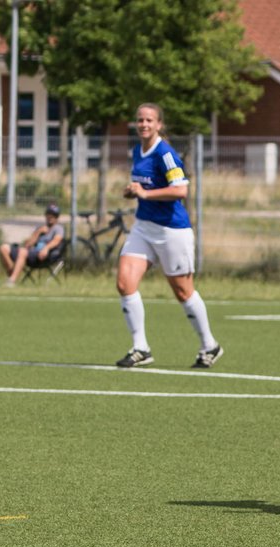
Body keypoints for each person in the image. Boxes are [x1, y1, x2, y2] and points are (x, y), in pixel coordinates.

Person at [114, 103, 222, 370]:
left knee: (183, 292)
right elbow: (144, 185)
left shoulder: (166, 153)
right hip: (144, 226)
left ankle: (210, 345)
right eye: (139, 120)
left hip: (172, 230)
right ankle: (141, 348)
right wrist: (133, 191)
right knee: (124, 283)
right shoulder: (137, 150)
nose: (143, 124)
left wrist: (145, 194)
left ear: (159, 124)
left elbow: (181, 190)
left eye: (149, 120)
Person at [0, 203, 64, 286]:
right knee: (3, 248)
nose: (50, 217)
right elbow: (27, 245)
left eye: (53, 215)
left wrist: (46, 248)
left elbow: (56, 240)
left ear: (57, 217)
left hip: (44, 256)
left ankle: (11, 281)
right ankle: (12, 272)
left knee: (23, 252)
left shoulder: (58, 228)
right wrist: (38, 232)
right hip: (30, 253)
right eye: (48, 214)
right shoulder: (40, 228)